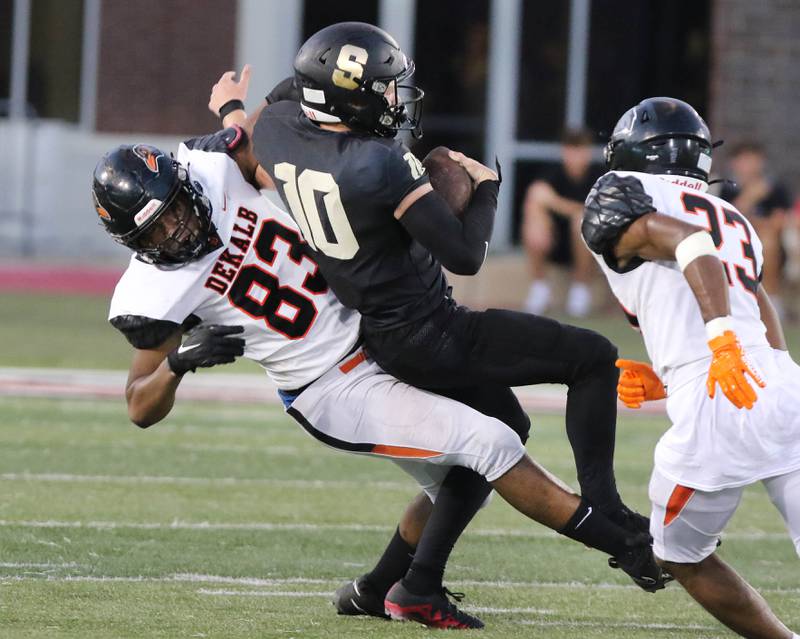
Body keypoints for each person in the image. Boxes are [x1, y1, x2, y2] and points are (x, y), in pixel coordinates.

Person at [93, 131, 664, 630]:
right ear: (132, 245)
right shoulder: (152, 294)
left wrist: (243, 117)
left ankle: (387, 588)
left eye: (173, 211)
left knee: (484, 447)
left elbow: (274, 156)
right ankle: (628, 547)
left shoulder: (212, 168)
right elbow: (139, 406)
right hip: (330, 386)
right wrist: (179, 362)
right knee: (490, 444)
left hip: (380, 331)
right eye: (155, 233)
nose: (175, 231)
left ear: (183, 184)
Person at [208, 21, 664, 627]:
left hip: (384, 333)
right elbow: (466, 255)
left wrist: (235, 110)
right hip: (434, 333)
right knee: (591, 356)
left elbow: (287, 94)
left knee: (503, 427)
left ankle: (403, 585)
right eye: (387, 89)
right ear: (351, 97)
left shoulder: (276, 131)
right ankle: (608, 512)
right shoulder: (378, 165)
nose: (397, 100)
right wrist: (488, 190)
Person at [582, 96, 800, 639]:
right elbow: (755, 299)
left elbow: (689, 243)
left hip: (717, 400)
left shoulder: (622, 193)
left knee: (679, 555)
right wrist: (684, 366)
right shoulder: (734, 215)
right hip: (780, 386)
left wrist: (717, 349)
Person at [522, 128, 601, 317]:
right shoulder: (553, 172)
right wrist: (575, 209)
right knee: (534, 217)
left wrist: (561, 206)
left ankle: (580, 289)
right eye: (571, 150)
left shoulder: (599, 176)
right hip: (555, 242)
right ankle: (540, 287)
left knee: (580, 222)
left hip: (588, 247)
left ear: (588, 152)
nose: (575, 156)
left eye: (580, 150)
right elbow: (537, 194)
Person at [717, 142, 793, 320]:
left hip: (770, 243)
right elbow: (724, 219)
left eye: (752, 159)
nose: (748, 165)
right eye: (743, 160)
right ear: (734, 163)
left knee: (767, 241)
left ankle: (772, 301)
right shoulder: (725, 188)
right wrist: (750, 197)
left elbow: (778, 222)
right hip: (732, 240)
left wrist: (753, 222)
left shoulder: (775, 188)